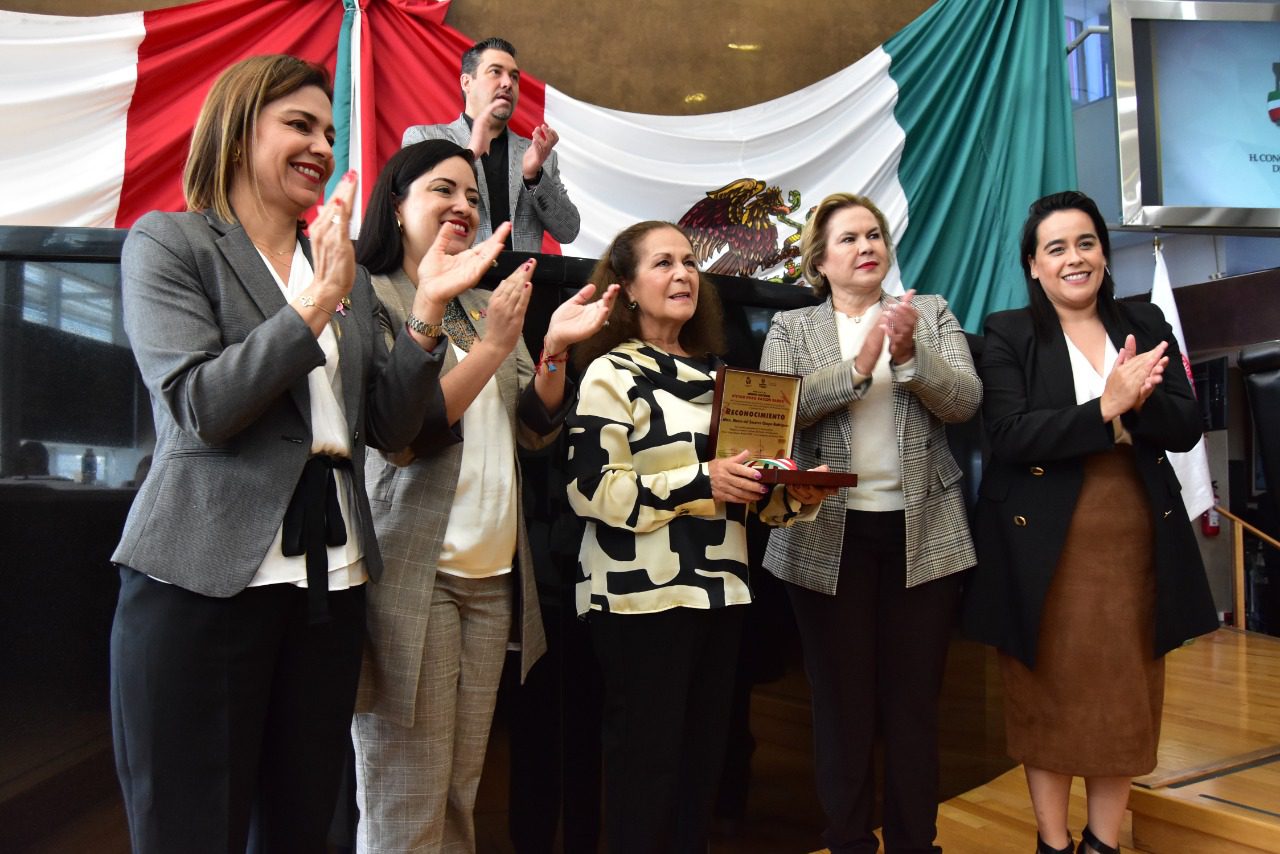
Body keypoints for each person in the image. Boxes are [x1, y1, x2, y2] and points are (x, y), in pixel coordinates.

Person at [106, 54, 501, 853]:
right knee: (192, 829)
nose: (321, 145)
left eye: (328, 129)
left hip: (330, 594)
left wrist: (424, 312)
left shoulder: (337, 269)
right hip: (204, 586)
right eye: (298, 124)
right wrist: (316, 299)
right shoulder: (175, 243)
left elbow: (392, 430)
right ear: (237, 126)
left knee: (301, 829)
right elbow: (200, 407)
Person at [349, 138, 616, 853]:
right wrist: (497, 348)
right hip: (415, 571)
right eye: (444, 190)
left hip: (493, 577)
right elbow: (404, 433)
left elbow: (533, 427)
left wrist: (553, 348)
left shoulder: (479, 302)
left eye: (472, 195)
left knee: (462, 789)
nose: (463, 205)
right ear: (396, 203)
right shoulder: (369, 296)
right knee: (407, 793)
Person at [565, 220, 834, 854]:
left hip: (720, 593)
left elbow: (748, 500)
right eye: (662, 263)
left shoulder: (727, 379)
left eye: (689, 262)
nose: (683, 274)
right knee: (646, 773)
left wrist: (793, 492)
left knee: (700, 774)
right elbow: (591, 489)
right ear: (627, 287)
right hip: (640, 601)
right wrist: (701, 481)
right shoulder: (610, 370)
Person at [962, 190, 1218, 854]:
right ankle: (1053, 842)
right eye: (1057, 248)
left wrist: (1138, 405)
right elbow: (1011, 436)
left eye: (1086, 243)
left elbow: (1187, 427)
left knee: (1124, 692)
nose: (1074, 258)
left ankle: (1103, 844)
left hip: (1133, 533)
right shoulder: (1008, 332)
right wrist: (1107, 406)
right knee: (1045, 693)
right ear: (1034, 265)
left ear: (1104, 252)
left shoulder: (1146, 319)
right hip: (1039, 543)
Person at [759, 192, 980, 854]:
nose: (867, 246)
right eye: (850, 238)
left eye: (875, 234)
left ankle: (918, 844)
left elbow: (966, 402)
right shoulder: (791, 329)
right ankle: (849, 841)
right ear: (820, 261)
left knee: (913, 711)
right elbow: (776, 416)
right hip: (827, 539)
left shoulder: (930, 313)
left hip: (924, 536)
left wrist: (909, 357)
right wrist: (857, 369)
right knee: (843, 710)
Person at [402, 37, 580, 252]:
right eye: (496, 72)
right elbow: (413, 210)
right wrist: (470, 154)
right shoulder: (424, 138)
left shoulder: (538, 156)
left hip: (520, 282)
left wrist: (534, 178)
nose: (508, 83)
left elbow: (568, 230)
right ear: (466, 82)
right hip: (452, 279)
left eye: (514, 77)